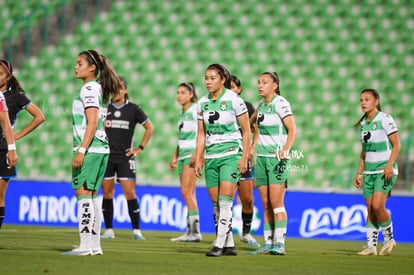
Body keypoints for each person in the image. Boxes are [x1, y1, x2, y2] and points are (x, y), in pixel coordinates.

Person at [63, 50, 123, 256]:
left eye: (79, 63)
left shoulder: (89, 88)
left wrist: (81, 150)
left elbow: (91, 123)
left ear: (92, 68)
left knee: (83, 197)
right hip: (101, 148)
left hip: (90, 149)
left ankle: (84, 246)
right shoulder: (99, 87)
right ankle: (94, 245)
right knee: (92, 197)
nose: (75, 66)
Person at [194, 64, 251, 257]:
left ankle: (218, 244)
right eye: (206, 78)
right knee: (216, 204)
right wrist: (198, 157)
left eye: (212, 78)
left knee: (225, 202)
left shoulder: (234, 99)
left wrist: (244, 157)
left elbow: (246, 130)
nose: (208, 82)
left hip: (231, 154)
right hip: (211, 157)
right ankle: (229, 244)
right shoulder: (202, 103)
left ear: (223, 79)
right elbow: (201, 134)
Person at [248, 71, 296, 256]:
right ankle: (268, 243)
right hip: (262, 159)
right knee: (266, 204)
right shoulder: (262, 105)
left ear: (275, 85)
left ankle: (280, 243)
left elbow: (292, 129)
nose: (260, 85)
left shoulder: (281, 103)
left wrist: (286, 150)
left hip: (277, 160)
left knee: (277, 203)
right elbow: (252, 123)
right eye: (259, 82)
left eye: (265, 82)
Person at [101, 76, 154, 240]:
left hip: (125, 157)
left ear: (125, 90)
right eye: (114, 88)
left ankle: (136, 230)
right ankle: (109, 229)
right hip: (107, 156)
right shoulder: (104, 108)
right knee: (107, 193)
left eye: (119, 88)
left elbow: (149, 128)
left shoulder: (133, 109)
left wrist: (140, 148)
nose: (116, 91)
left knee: (130, 193)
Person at [353, 88, 400, 256]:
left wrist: (389, 165)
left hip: (384, 171)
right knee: (370, 209)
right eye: (361, 100)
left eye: (367, 99)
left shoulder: (385, 119)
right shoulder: (363, 124)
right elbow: (364, 152)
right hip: (368, 173)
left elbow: (397, 144)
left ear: (376, 101)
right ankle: (371, 247)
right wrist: (359, 173)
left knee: (377, 205)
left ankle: (389, 239)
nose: (363, 102)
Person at [0, 59, 44, 229]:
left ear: (9, 77)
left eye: (1, 73)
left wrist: (18, 135)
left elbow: (40, 116)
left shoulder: (16, 96)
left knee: (0, 196)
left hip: (4, 148)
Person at [169, 82, 202, 242]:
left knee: (186, 192)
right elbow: (182, 137)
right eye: (178, 92)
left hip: (190, 155)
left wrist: (197, 155)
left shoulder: (195, 110)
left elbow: (202, 133)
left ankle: (195, 232)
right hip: (182, 155)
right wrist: (175, 156)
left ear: (191, 94)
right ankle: (190, 231)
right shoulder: (182, 113)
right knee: (190, 194)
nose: (179, 95)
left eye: (183, 92)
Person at [229, 75, 260, 248]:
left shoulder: (247, 107)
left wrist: (252, 149)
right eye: (228, 87)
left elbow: (256, 131)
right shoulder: (220, 107)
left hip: (243, 157)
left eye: (234, 87)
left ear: (239, 89)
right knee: (223, 199)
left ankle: (246, 233)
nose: (231, 90)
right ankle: (223, 235)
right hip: (224, 156)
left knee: (247, 199)